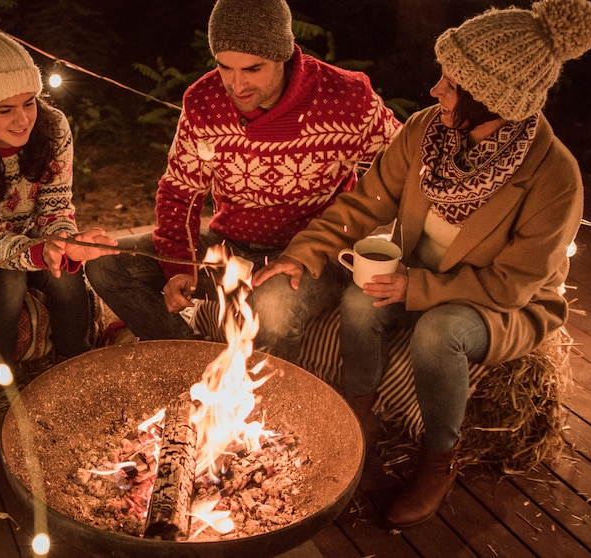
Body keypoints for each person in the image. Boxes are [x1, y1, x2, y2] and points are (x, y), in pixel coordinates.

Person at [252, 0, 591, 528]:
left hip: (498, 300)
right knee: (356, 296)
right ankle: (360, 415)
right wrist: (303, 253)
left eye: (452, 85)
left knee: (439, 332)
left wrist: (415, 288)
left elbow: (514, 284)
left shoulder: (554, 177)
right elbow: (363, 204)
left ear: (491, 100)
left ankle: (439, 457)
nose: (435, 91)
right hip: (417, 269)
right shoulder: (425, 132)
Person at [85, 0, 401, 361]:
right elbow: (179, 191)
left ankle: (269, 399)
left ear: (282, 55)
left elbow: (402, 164)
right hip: (231, 246)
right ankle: (190, 363)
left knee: (273, 306)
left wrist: (353, 228)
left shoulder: (345, 97)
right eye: (224, 67)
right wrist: (178, 265)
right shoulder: (204, 102)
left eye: (253, 68)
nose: (236, 84)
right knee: (107, 263)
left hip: (313, 256)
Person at [0, 0, 117, 372]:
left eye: (29, 103)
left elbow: (57, 205)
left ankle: (75, 365)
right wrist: (39, 251)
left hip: (23, 231)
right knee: (11, 279)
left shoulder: (53, 126)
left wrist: (63, 242)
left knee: (64, 273)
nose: (22, 119)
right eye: (4, 110)